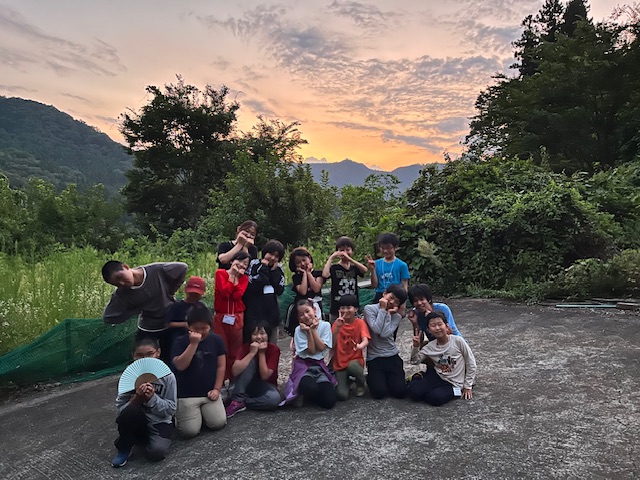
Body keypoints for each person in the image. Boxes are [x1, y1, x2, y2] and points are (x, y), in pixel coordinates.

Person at [102, 260, 188, 364]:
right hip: (149, 329)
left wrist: (171, 290)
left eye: (120, 277)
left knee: (175, 360)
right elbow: (108, 317)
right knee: (147, 362)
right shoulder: (121, 294)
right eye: (117, 284)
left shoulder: (156, 271)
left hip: (171, 324)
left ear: (125, 266)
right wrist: (135, 310)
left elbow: (182, 267)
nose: (122, 283)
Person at [111, 337, 176, 468]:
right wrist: (137, 399)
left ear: (158, 352)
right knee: (130, 412)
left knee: (157, 452)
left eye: (150, 354)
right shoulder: (129, 375)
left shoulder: (167, 376)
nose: (145, 359)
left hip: (159, 421)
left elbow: (171, 409)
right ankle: (124, 447)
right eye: (139, 355)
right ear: (133, 356)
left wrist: (152, 399)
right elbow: (121, 411)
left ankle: (140, 439)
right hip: (136, 419)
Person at [171, 302, 227, 439]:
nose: (200, 332)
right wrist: (193, 343)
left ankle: (201, 414)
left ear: (210, 326)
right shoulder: (180, 341)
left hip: (209, 393)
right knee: (189, 432)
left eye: (204, 328)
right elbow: (180, 366)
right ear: (188, 326)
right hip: (186, 395)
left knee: (218, 423)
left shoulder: (216, 340)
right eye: (196, 328)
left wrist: (217, 389)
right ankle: (183, 415)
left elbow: (221, 366)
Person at [408, 311, 476, 406]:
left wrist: (468, 386)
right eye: (433, 325)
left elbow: (471, 362)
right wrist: (416, 346)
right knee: (414, 393)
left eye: (440, 324)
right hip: (437, 376)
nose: (437, 328)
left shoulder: (458, 341)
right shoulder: (430, 346)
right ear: (429, 330)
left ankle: (430, 388)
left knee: (435, 398)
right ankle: (418, 377)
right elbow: (414, 361)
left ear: (446, 326)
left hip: (455, 383)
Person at [280, 299, 337, 409]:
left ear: (314, 310)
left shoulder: (325, 326)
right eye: (301, 314)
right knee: (310, 388)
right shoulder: (298, 330)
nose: (305, 316)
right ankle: (301, 392)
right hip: (304, 367)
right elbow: (311, 351)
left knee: (329, 402)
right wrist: (309, 331)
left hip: (319, 367)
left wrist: (313, 330)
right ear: (298, 318)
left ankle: (313, 394)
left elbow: (321, 347)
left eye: (307, 311)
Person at [225, 322, 282, 417]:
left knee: (274, 399)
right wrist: (251, 353)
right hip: (245, 384)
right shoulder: (245, 347)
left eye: (262, 333)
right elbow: (234, 371)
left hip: (265, 386)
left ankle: (241, 402)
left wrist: (261, 353)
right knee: (249, 361)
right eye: (255, 334)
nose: (259, 337)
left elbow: (264, 376)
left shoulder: (274, 349)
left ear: (268, 335)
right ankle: (238, 399)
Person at [363, 284, 408, 400]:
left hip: (391, 355)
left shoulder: (396, 316)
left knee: (400, 392)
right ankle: (372, 377)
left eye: (396, 302)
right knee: (379, 393)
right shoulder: (369, 309)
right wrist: (383, 310)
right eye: (391, 297)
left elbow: (384, 334)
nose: (392, 302)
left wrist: (387, 314)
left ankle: (388, 378)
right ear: (384, 294)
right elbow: (377, 330)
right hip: (374, 357)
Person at [214, 251, 250, 381]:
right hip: (221, 316)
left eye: (245, 264)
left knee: (235, 350)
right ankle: (221, 380)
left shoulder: (244, 278)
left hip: (237, 316)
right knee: (221, 349)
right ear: (231, 261)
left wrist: (235, 278)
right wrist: (233, 277)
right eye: (239, 261)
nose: (241, 265)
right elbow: (225, 292)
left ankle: (234, 379)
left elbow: (237, 295)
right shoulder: (220, 273)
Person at [243, 240, 286, 344]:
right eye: (271, 254)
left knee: (272, 344)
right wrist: (264, 268)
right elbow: (253, 285)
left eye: (276, 256)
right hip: (253, 312)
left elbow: (279, 290)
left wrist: (274, 272)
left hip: (271, 313)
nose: (273, 258)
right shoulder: (254, 264)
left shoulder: (279, 269)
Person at [331, 294, 370, 400]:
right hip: (339, 363)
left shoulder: (360, 323)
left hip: (355, 360)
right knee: (342, 395)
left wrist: (360, 346)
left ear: (355, 309)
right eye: (342, 308)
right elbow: (332, 345)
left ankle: (360, 383)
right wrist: (337, 327)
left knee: (353, 367)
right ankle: (348, 382)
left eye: (349, 307)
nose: (345, 310)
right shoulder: (336, 324)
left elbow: (365, 340)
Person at [322, 236, 368, 323]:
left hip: (352, 306)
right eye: (342, 250)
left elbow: (365, 270)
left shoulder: (354, 267)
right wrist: (331, 258)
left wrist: (350, 259)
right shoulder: (335, 267)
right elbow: (325, 274)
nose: (345, 252)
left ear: (352, 251)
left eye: (348, 250)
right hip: (337, 307)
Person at [407, 284, 464, 348]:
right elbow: (419, 341)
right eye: (415, 301)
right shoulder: (417, 313)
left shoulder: (442, 308)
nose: (419, 303)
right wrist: (415, 323)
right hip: (435, 344)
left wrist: (431, 317)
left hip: (454, 343)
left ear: (429, 299)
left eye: (422, 299)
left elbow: (449, 332)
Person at [283, 248, 324, 336]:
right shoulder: (296, 277)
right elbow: (303, 291)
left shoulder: (318, 273)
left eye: (304, 260)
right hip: (301, 306)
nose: (302, 264)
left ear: (309, 258)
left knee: (318, 328)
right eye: (298, 262)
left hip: (316, 305)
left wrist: (309, 273)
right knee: (302, 331)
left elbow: (316, 288)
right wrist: (305, 274)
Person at [164, 275, 206, 355]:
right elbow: (168, 323)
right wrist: (184, 325)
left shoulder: (201, 306)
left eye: (196, 294)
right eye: (191, 293)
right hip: (178, 338)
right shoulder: (177, 306)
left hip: (197, 337)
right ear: (186, 291)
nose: (193, 296)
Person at [369, 233, 410, 303]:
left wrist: (403, 303)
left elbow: (404, 286)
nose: (385, 251)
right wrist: (372, 270)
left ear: (395, 247)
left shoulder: (402, 265)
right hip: (380, 295)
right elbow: (374, 285)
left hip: (395, 297)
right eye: (382, 248)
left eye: (388, 248)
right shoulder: (376, 263)